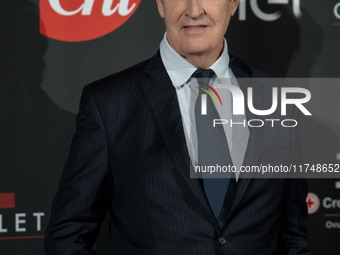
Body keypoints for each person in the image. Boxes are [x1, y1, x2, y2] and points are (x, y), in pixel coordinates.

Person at [45, 0, 310, 254]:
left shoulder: (274, 97)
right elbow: (68, 235)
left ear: (233, 3)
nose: (194, 10)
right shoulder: (109, 103)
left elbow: (293, 236)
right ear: (161, 5)